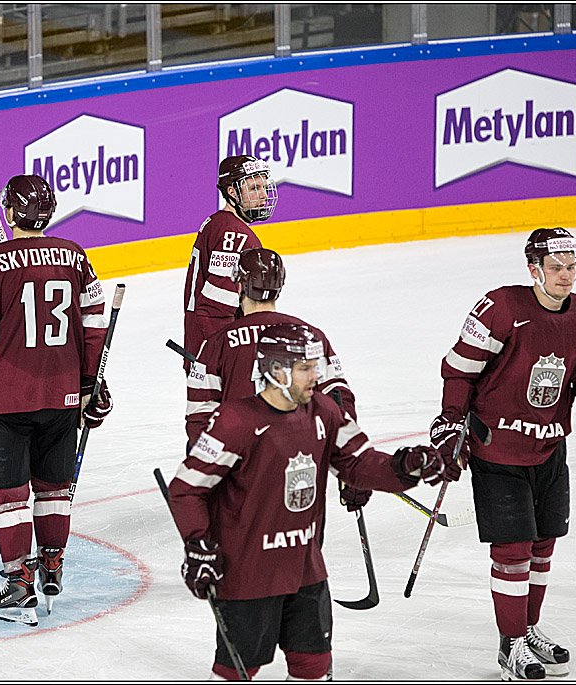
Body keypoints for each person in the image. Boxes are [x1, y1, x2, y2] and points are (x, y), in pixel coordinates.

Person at [167, 323, 450, 680]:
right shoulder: (234, 421)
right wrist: (199, 544)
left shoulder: (324, 411)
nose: (316, 376)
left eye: (315, 366)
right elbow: (186, 488)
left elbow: (358, 462)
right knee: (236, 671)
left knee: (313, 667)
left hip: (305, 568)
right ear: (276, 371)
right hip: (248, 573)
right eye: (305, 368)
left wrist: (405, 466)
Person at [431, 227, 576, 680]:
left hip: (549, 448)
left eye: (572, 266)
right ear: (534, 270)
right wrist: (450, 420)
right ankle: (511, 644)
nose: (566, 275)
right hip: (497, 449)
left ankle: (528, 629)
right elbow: (460, 370)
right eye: (556, 267)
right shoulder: (502, 308)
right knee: (514, 549)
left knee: (543, 545)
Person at [0, 174, 112, 625]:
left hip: (3, 399)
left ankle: (20, 583)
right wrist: (88, 384)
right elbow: (95, 326)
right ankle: (52, 567)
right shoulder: (74, 255)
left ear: (9, 211)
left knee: (9, 497)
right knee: (53, 489)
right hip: (61, 395)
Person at [186, 247, 370, 514]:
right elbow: (338, 396)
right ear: (279, 286)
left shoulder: (216, 345)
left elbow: (200, 417)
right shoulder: (310, 336)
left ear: (239, 286)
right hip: (300, 473)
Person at [183, 155, 277, 373]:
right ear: (232, 193)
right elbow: (215, 307)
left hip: (205, 351)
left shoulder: (219, 223)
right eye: (254, 188)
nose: (263, 195)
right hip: (216, 359)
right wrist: (227, 357)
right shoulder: (234, 234)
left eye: (264, 187)